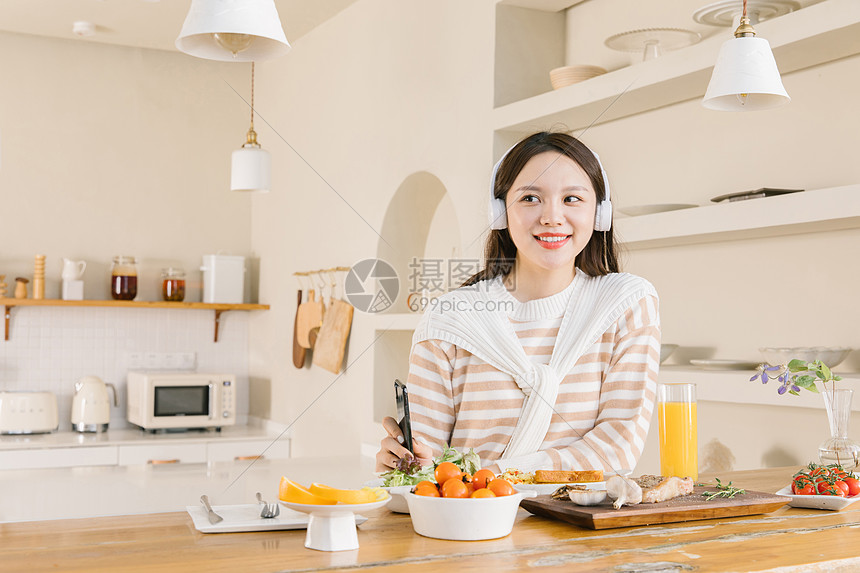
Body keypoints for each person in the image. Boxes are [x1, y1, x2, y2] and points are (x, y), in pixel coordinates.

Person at [376, 131, 660, 475]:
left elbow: (617, 449)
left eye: (572, 199)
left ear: (599, 214)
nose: (552, 217)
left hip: (580, 525)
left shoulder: (626, 305)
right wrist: (403, 468)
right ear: (500, 212)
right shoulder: (448, 320)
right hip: (471, 524)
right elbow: (424, 473)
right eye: (530, 198)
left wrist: (495, 476)